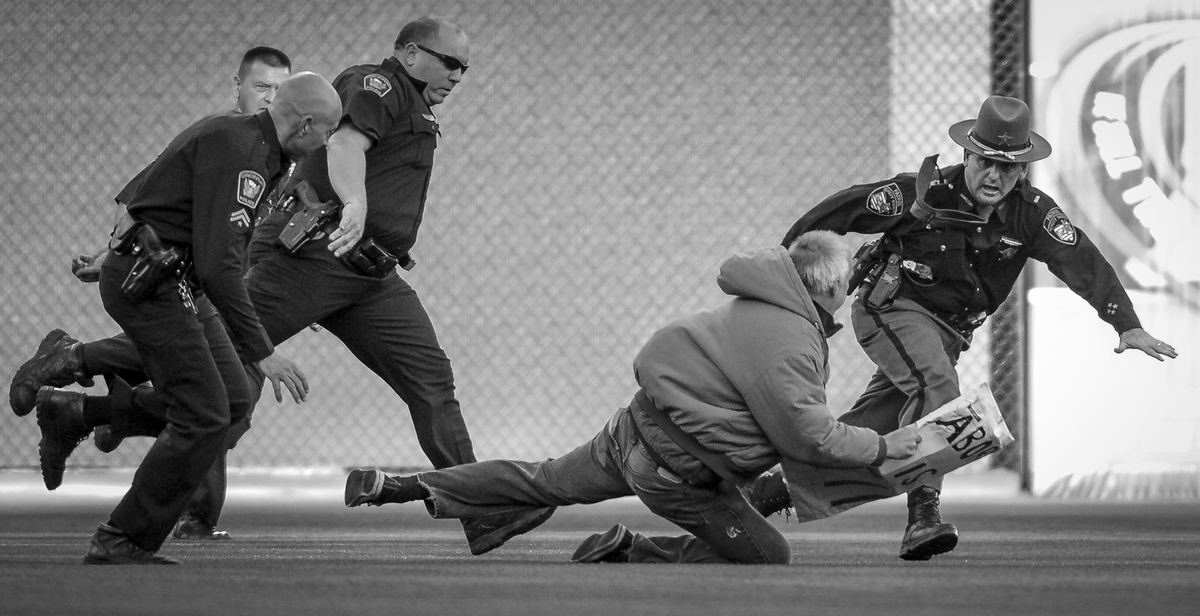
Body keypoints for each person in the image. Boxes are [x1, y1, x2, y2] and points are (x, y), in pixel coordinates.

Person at [343, 233, 928, 564]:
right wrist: (884, 445)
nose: (848, 298)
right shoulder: (792, 339)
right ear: (825, 290)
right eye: (846, 287)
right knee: (768, 554)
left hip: (632, 430)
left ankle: (405, 486)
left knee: (541, 479)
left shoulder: (756, 303)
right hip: (676, 473)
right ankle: (634, 549)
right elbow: (809, 435)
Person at [777, 95, 1179, 561]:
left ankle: (772, 488)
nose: (995, 176)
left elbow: (1080, 260)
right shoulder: (918, 193)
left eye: (1007, 168)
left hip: (947, 337)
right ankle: (923, 516)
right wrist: (783, 275)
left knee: (877, 432)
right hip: (890, 310)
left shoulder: (1033, 214)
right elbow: (835, 213)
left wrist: (1125, 324)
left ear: (1023, 170)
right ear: (967, 155)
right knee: (939, 391)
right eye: (986, 162)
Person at [238, 15, 553, 555]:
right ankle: (80, 375)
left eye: (465, 68)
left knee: (432, 381)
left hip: (370, 275)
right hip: (320, 252)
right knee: (209, 351)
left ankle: (479, 512)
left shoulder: (416, 108)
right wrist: (355, 203)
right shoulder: (377, 85)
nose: (457, 75)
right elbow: (344, 145)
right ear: (408, 54)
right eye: (448, 62)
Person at [34, 72, 342, 565]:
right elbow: (221, 267)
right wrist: (265, 352)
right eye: (328, 130)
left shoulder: (255, 147)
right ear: (306, 124)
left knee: (234, 400)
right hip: (152, 287)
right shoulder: (244, 155)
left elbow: (168, 210)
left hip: (175, 282)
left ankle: (75, 413)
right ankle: (122, 538)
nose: (328, 141)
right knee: (204, 414)